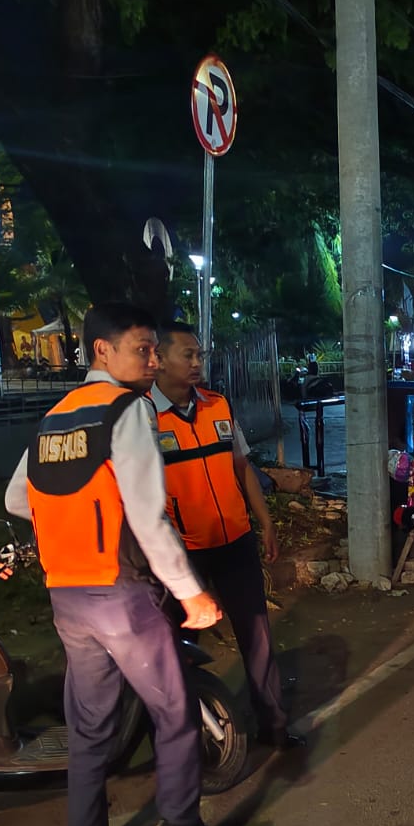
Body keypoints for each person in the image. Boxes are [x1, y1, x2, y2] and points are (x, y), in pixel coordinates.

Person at [5, 302, 252, 826]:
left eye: (153, 350)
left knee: (91, 726)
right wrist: (191, 593)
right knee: (174, 712)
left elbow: (18, 497)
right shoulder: (127, 410)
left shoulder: (57, 416)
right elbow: (147, 516)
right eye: (142, 349)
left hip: (68, 595)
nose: (152, 360)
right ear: (102, 350)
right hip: (122, 594)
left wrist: (75, 525)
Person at [151, 321, 300, 751]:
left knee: (257, 636)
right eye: (187, 354)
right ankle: (185, 741)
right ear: (159, 359)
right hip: (183, 554)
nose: (197, 362)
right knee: (179, 646)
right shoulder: (144, 417)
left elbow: (241, 467)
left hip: (235, 541)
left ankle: (273, 727)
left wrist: (264, 521)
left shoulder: (217, 405)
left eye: (199, 354)